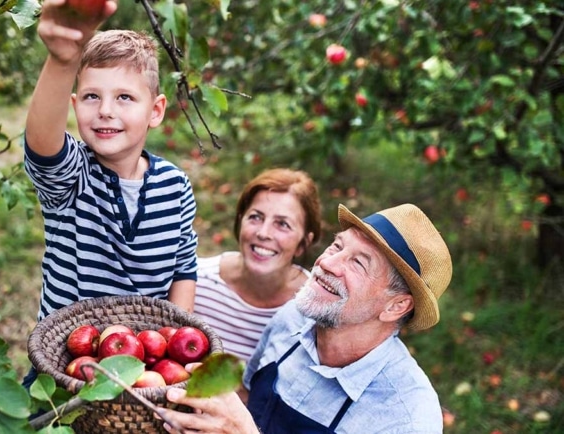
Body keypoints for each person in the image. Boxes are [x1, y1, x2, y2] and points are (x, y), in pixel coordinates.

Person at [160, 203, 453, 434]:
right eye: (337, 246)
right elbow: (247, 397)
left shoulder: (406, 418)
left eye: (358, 263)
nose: (326, 263)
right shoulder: (292, 317)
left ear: (396, 306)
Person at [23, 0, 198, 322]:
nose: (105, 110)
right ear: (74, 105)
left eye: (124, 97)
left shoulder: (175, 186)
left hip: (144, 362)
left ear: (155, 111)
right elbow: (41, 144)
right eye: (92, 96)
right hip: (66, 360)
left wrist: (175, 335)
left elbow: (183, 268)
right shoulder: (73, 176)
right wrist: (62, 62)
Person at [192, 168, 322, 364]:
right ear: (240, 220)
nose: (263, 232)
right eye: (255, 217)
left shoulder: (315, 309)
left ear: (304, 242)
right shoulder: (195, 281)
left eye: (282, 224)